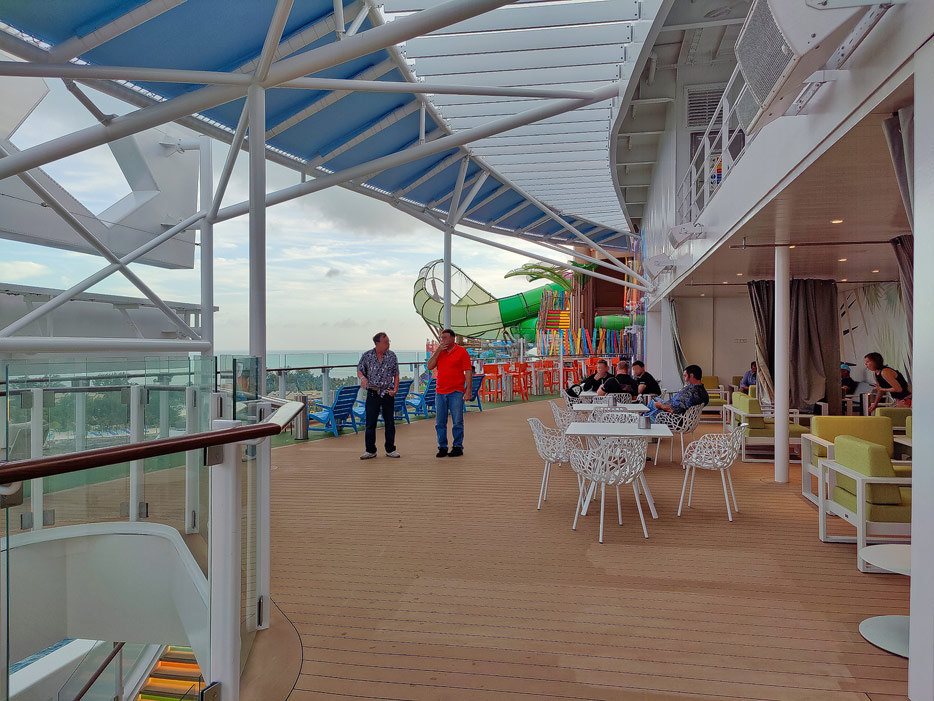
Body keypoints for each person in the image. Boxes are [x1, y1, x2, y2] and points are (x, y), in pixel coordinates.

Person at [426, 328, 473, 457]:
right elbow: (429, 366)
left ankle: (457, 446)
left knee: (457, 420)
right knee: (440, 421)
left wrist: (468, 390)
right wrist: (437, 351)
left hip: (456, 391)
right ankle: (442, 447)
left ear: (453, 338)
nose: (443, 340)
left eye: (445, 338)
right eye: (441, 338)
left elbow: (468, 371)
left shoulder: (462, 352)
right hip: (440, 391)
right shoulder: (440, 352)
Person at [356, 332, 400, 460]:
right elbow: (359, 370)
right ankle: (370, 450)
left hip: (387, 393)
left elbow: (396, 373)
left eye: (388, 341)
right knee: (370, 423)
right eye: (385, 342)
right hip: (373, 393)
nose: (388, 344)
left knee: (390, 422)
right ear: (377, 343)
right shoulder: (367, 355)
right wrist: (363, 378)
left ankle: (390, 449)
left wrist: (395, 389)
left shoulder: (392, 356)